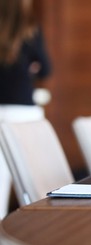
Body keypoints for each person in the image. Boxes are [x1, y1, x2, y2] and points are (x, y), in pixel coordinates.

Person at [0, 0, 51, 218]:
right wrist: (31, 65)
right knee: (35, 181)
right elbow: (46, 69)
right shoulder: (29, 28)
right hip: (24, 112)